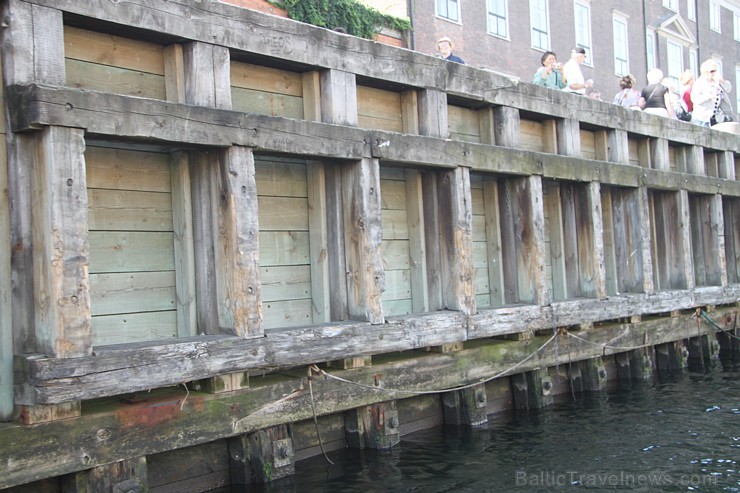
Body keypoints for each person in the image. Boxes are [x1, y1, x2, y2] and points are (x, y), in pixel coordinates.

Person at [691, 59, 733, 127]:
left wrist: (722, 81)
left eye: (715, 71)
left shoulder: (717, 82)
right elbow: (694, 99)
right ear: (705, 72)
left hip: (714, 118)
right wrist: (708, 97)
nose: (714, 73)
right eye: (712, 71)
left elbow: (729, 89)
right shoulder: (699, 83)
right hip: (701, 119)